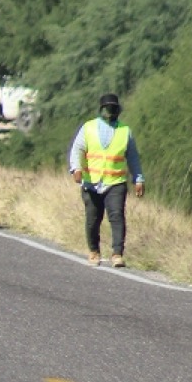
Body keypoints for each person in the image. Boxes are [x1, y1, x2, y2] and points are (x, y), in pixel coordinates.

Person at [69, 93, 145, 267]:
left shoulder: (125, 131)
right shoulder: (88, 128)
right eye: (107, 108)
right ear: (101, 109)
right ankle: (94, 251)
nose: (110, 111)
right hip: (91, 183)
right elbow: (77, 149)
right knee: (93, 219)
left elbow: (133, 157)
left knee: (117, 216)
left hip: (115, 182)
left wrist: (138, 179)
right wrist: (76, 168)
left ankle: (117, 254)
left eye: (113, 108)